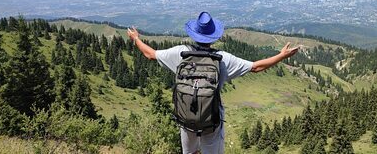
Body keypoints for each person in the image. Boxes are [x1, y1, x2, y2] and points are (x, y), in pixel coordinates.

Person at [127, 11, 299, 154]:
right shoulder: (222, 59)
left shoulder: (181, 54)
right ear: (213, 37)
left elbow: (150, 54)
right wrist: (281, 56)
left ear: (194, 34)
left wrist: (135, 38)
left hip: (186, 118)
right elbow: (256, 67)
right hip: (212, 119)